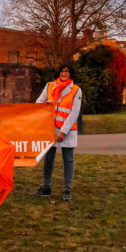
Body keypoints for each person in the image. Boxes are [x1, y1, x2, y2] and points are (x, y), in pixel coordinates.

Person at [33, 64, 82, 202]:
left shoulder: (76, 90)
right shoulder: (49, 86)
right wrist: (46, 104)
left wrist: (63, 131)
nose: (64, 73)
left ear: (70, 73)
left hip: (67, 131)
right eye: (62, 71)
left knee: (68, 160)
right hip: (50, 128)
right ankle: (46, 187)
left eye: (66, 71)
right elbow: (38, 102)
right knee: (48, 159)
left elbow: (74, 112)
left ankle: (67, 191)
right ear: (58, 72)